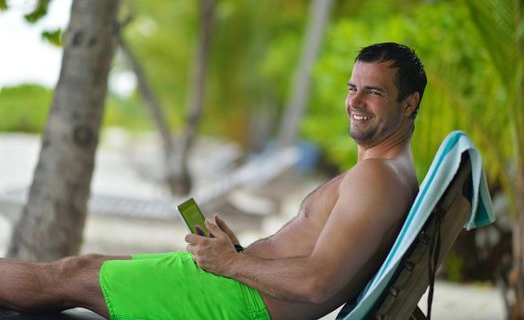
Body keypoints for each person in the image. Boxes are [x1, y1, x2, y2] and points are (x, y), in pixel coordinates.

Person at [0, 42, 427, 320]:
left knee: (69, 275)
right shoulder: (387, 174)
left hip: (233, 304)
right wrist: (239, 255)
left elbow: (318, 283)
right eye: (353, 87)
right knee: (82, 269)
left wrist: (232, 263)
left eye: (373, 92)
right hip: (236, 290)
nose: (354, 101)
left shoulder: (375, 177)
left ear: (409, 103)